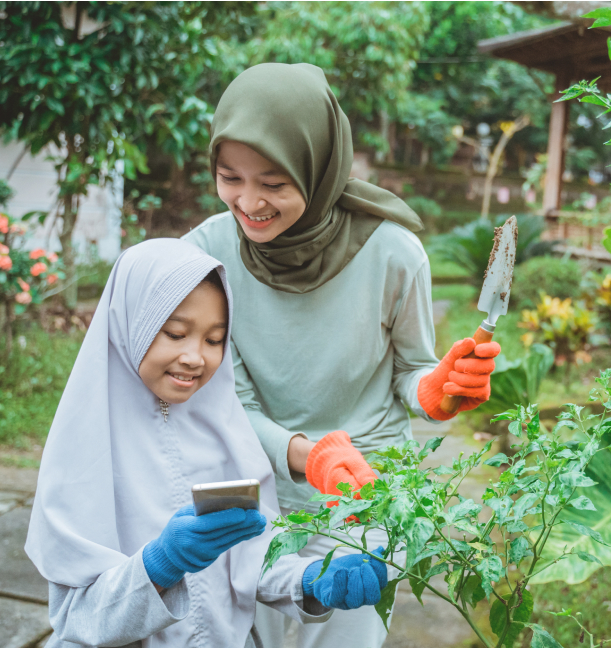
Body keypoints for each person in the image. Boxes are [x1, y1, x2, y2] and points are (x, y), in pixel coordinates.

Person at [184, 63, 502, 647]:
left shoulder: (393, 254)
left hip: (362, 494)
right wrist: (306, 456)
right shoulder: (203, 255)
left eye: (275, 184)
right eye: (229, 177)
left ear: (321, 166)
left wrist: (435, 390)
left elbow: (411, 369)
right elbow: (218, 400)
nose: (248, 202)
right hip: (250, 484)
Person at [25, 239, 387, 647]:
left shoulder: (225, 429)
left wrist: (311, 579)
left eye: (215, 340)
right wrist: (159, 565)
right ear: (128, 322)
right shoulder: (84, 452)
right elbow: (77, 618)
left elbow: (252, 557)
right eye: (176, 333)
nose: (195, 356)